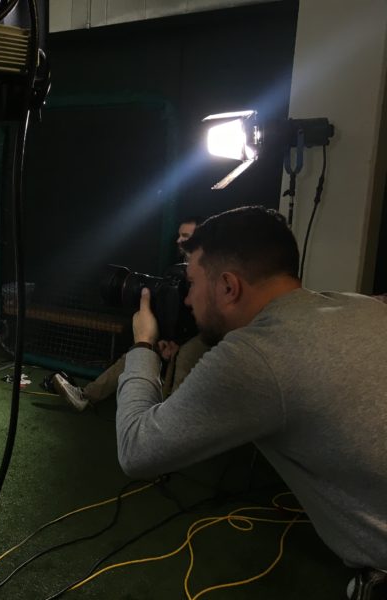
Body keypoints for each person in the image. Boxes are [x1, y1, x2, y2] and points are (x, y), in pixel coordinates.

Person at [116, 206, 387, 598]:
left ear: (228, 287)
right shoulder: (361, 305)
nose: (187, 298)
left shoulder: (256, 356)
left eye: (190, 282)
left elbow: (135, 450)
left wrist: (143, 343)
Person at [53, 216, 208, 411]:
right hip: (181, 332)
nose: (178, 241)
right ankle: (86, 396)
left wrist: (180, 340)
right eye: (179, 235)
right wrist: (168, 337)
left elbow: (206, 314)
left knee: (187, 354)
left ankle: (173, 417)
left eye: (185, 236)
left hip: (204, 332)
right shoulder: (180, 265)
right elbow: (175, 309)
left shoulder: (209, 266)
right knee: (139, 350)